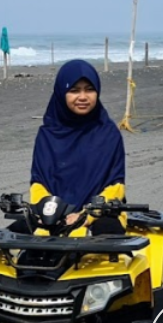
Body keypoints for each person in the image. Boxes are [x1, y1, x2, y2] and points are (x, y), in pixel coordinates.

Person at [25, 59, 126, 235]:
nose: (82, 97)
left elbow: (115, 185)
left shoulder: (109, 134)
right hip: (52, 212)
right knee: (9, 246)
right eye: (74, 90)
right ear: (61, 93)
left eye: (89, 90)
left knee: (109, 246)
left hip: (102, 212)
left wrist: (86, 215)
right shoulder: (47, 135)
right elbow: (38, 182)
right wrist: (48, 211)